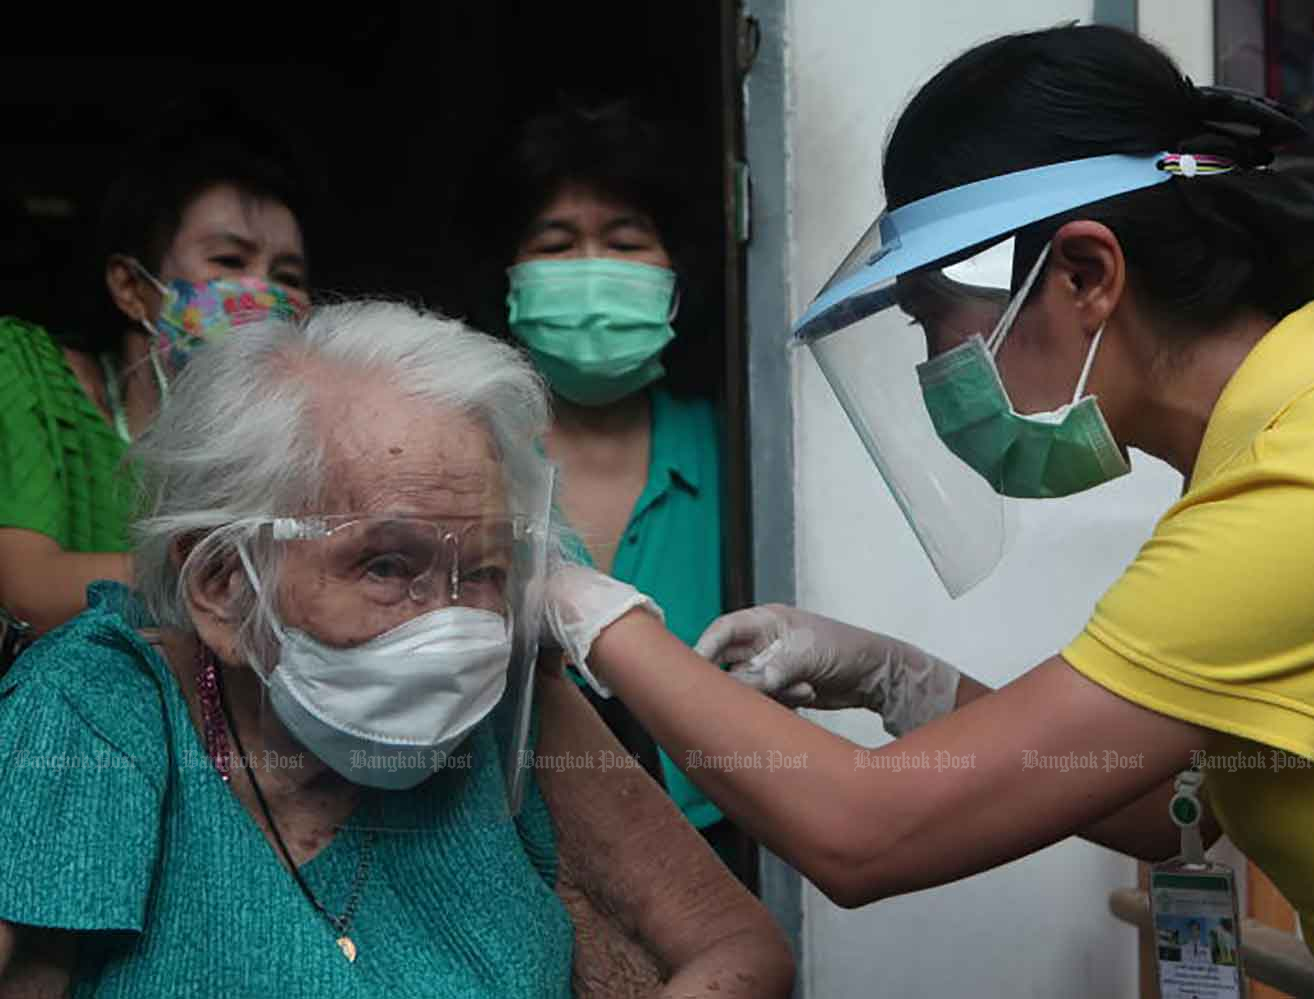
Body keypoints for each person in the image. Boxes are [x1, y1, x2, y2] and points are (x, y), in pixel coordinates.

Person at [539, 24, 1314, 999]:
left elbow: (863, 836)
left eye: (933, 322)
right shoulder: (1308, 425)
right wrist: (896, 680)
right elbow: (1167, 807)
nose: (934, 373)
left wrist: (582, 604)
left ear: (1086, 276)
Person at [0, 302, 792, 998]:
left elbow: (738, 947)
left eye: (480, 569)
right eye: (385, 565)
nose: (446, 631)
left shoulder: (511, 706)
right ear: (223, 585)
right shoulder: (97, 709)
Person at [474, 102, 738, 859]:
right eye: (557, 245)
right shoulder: (462, 452)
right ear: (508, 278)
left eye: (626, 243)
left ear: (678, 275)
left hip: (718, 851)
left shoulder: (738, 451)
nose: (592, 269)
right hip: (505, 848)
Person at [0, 94, 311, 640]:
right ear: (131, 288)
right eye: (230, 262)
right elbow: (27, 589)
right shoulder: (27, 374)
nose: (265, 293)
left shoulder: (295, 434)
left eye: (287, 274)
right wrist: (242, 578)